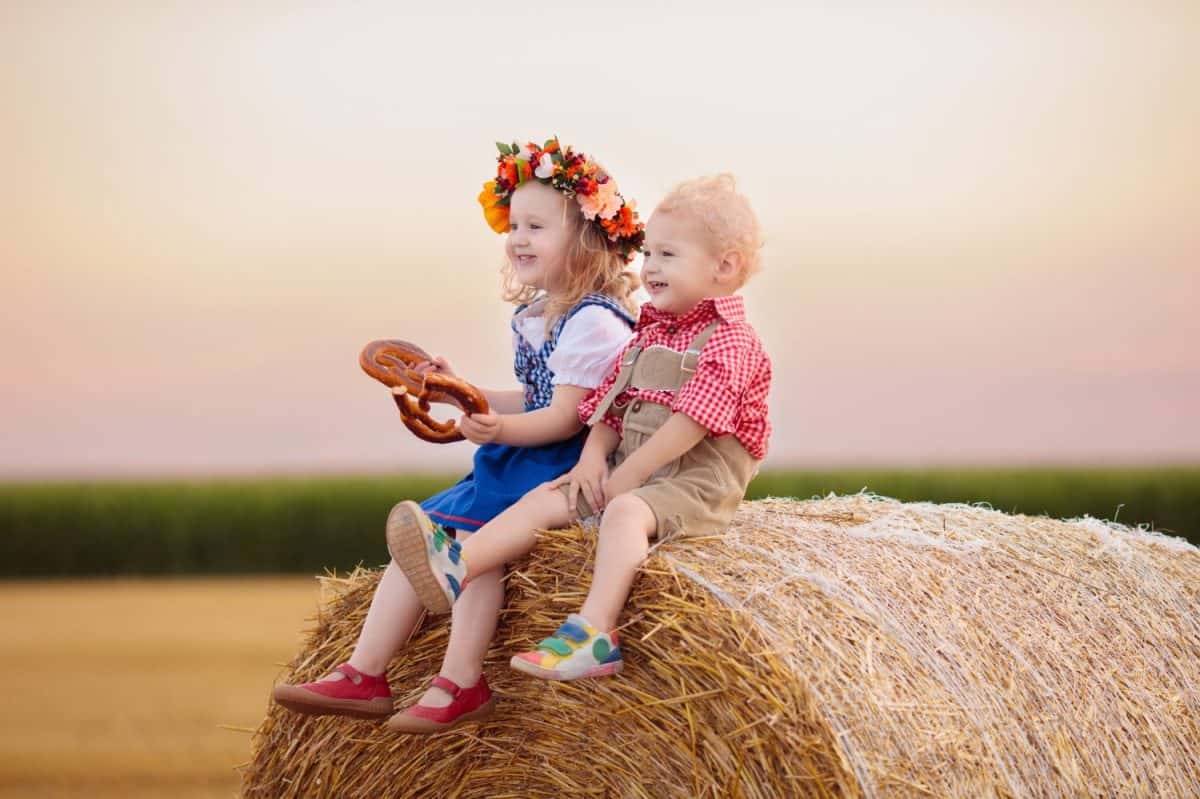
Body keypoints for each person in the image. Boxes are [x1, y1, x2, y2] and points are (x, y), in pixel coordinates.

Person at [272, 138, 644, 729]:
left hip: (559, 467)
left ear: (587, 240)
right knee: (423, 541)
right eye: (513, 224)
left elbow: (569, 416)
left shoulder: (595, 322)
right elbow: (536, 398)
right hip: (521, 458)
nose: (517, 237)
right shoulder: (543, 313)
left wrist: (500, 428)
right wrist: (460, 392)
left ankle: (460, 682)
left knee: (472, 554)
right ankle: (363, 673)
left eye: (536, 226)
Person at [387, 173, 771, 683]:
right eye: (649, 254)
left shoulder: (730, 342)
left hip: (694, 483)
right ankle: (458, 565)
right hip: (631, 466)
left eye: (668, 256)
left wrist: (624, 478)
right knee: (551, 495)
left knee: (624, 512)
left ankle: (595, 632)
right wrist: (592, 462)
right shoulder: (648, 334)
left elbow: (689, 425)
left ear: (725, 266)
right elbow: (608, 408)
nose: (650, 266)